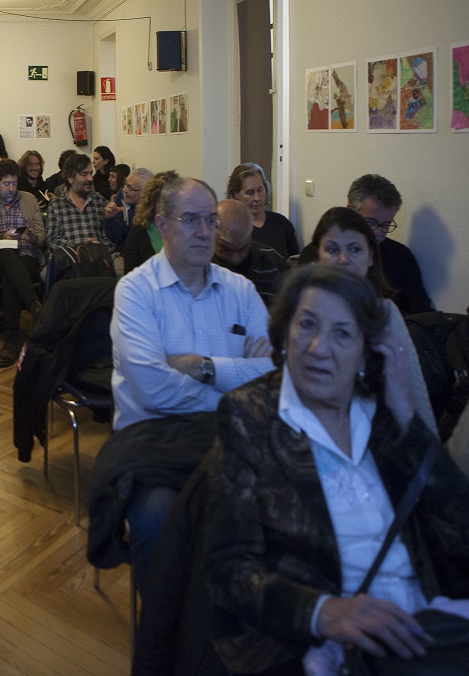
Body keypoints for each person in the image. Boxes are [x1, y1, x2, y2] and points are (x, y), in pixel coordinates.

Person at [203, 264, 469, 675]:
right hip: (322, 642)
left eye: (342, 333)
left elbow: (461, 525)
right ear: (285, 335)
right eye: (306, 324)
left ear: (367, 352)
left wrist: (406, 418)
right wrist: (324, 612)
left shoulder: (382, 413)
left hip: (424, 623)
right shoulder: (249, 415)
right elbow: (228, 570)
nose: (318, 347)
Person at [97, 176, 274, 590]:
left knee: (278, 513)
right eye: (190, 219)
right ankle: (166, 636)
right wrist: (236, 379)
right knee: (160, 520)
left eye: (210, 220)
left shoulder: (241, 292)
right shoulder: (136, 292)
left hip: (232, 441)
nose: (203, 231)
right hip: (156, 443)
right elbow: (152, 389)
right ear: (162, 225)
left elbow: (273, 377)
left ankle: (234, 629)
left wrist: (204, 366)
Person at [309, 206, 436, 433]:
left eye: (355, 249)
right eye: (331, 249)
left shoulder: (385, 313)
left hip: (376, 437)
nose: (343, 259)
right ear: (318, 255)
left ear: (370, 257)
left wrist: (431, 458)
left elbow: (414, 389)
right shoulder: (304, 312)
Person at [0, 159, 46, 367]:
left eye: (14, 183)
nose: (12, 188)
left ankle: (10, 344)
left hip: (27, 256)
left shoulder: (29, 199)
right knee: (6, 252)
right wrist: (1, 237)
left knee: (10, 278)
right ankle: (34, 304)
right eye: (7, 184)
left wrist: (32, 238)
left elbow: (42, 237)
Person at [349, 173, 434, 315]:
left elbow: (420, 312)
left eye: (386, 224)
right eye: (371, 222)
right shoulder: (324, 253)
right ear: (350, 211)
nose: (378, 232)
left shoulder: (401, 256)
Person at [212, 199, 289, 307]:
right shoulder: (201, 267)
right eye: (226, 250)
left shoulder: (274, 262)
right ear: (212, 235)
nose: (236, 258)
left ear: (250, 235)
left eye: (242, 249)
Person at [226, 162, 299, 258]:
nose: (257, 198)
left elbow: (295, 262)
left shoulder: (282, 223)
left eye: (260, 190)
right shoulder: (231, 228)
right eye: (250, 192)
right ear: (236, 194)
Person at [46, 153, 114, 252]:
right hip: (71, 261)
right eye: (84, 174)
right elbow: (53, 241)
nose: (90, 178)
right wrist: (80, 247)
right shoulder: (56, 205)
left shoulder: (101, 202)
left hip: (98, 260)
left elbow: (111, 240)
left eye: (91, 173)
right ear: (70, 178)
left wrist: (97, 249)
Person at [122, 170, 179, 274]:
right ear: (152, 203)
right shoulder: (139, 229)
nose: (166, 207)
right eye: (160, 202)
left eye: (170, 202)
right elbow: (130, 272)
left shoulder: (186, 229)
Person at [104, 167, 153, 251]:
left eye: (130, 187)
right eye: (125, 185)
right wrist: (110, 219)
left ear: (145, 191)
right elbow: (116, 237)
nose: (124, 190)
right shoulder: (120, 201)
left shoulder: (154, 210)